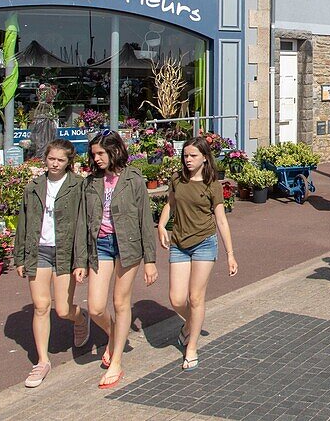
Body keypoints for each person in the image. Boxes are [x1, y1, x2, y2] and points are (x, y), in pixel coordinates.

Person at [13, 139, 90, 388]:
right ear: (44, 159)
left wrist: (81, 260)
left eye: (60, 160)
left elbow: (82, 224)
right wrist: (20, 256)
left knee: (63, 310)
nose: (54, 164)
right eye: (51, 159)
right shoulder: (33, 186)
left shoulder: (78, 186)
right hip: (39, 251)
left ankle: (80, 318)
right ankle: (43, 360)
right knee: (40, 306)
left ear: (69, 162)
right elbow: (23, 222)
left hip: (65, 252)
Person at [84, 131, 158, 389]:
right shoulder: (91, 181)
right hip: (101, 245)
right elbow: (84, 221)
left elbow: (145, 221)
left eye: (101, 153)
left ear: (115, 151)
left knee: (120, 301)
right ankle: (115, 334)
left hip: (128, 246)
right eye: (94, 154)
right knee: (94, 307)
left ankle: (116, 361)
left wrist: (150, 259)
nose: (97, 158)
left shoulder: (133, 179)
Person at [157, 137, 238, 371]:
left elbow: (221, 220)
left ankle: (191, 347)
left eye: (193, 156)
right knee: (176, 299)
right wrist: (162, 225)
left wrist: (230, 254)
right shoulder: (177, 180)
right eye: (185, 156)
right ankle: (192, 321)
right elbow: (170, 204)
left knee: (195, 297)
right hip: (179, 242)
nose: (188, 160)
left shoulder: (212, 184)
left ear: (204, 157)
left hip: (204, 242)